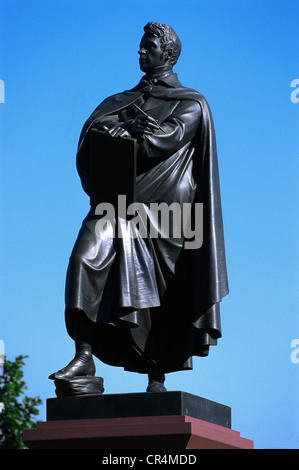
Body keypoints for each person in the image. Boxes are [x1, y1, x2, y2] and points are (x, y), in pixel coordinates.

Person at [49, 22, 228, 392]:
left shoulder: (190, 102)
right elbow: (94, 134)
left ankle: (156, 376)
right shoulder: (120, 99)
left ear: (168, 54)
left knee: (160, 294)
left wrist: (127, 131)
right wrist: (118, 130)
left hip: (166, 215)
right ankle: (84, 357)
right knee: (82, 260)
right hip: (115, 205)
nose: (140, 52)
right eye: (140, 46)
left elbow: (165, 139)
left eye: (147, 46)